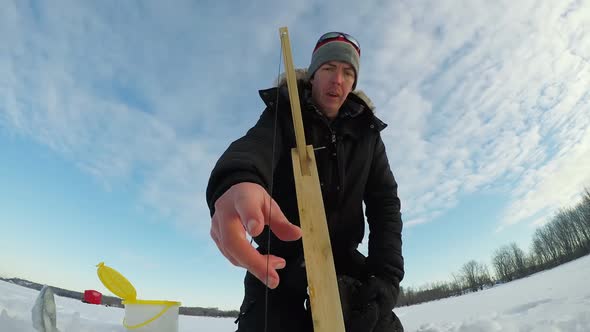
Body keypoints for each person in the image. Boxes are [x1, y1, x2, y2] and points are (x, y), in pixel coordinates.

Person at [206, 31, 405, 332]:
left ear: (353, 83)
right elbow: (255, 147)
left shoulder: (368, 134)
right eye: (328, 68)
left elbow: (385, 204)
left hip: (347, 270)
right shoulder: (283, 114)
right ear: (313, 75)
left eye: (347, 72)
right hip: (280, 270)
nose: (337, 79)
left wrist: (386, 278)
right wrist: (237, 180)